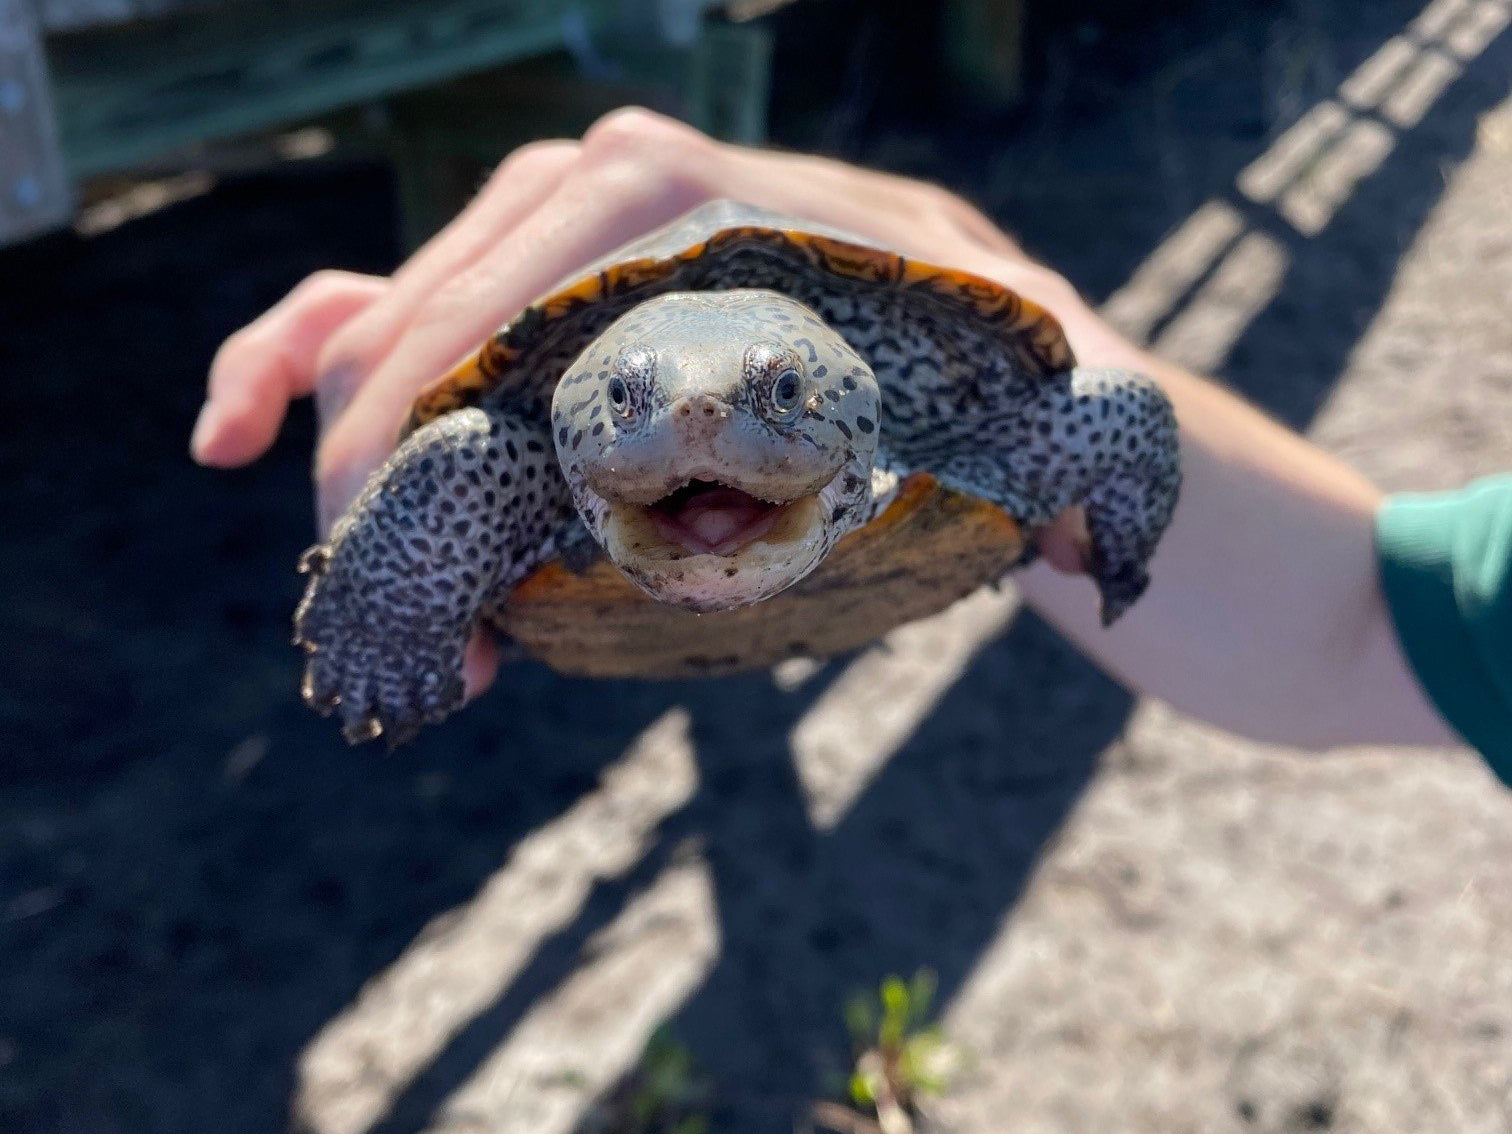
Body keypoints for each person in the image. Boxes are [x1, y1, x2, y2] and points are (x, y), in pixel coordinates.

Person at [189, 108, 1510, 781]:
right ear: (585, 409)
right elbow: (1381, 620)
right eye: (635, 409)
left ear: (846, 395)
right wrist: (389, 607)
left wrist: (1119, 519)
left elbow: (1107, 414)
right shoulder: (521, 453)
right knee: (467, 453)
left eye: (771, 400)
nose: (700, 433)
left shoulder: (930, 383)